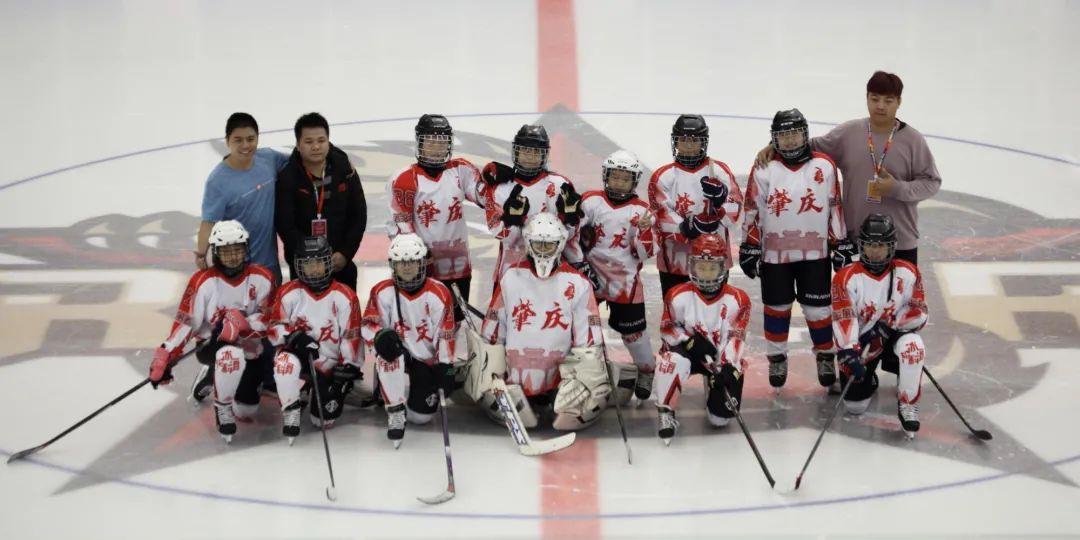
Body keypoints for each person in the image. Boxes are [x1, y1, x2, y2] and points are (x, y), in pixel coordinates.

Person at [755, 71, 942, 265]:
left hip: (900, 241)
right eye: (875, 99)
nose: (880, 106)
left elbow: (931, 182)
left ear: (899, 102)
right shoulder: (849, 133)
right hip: (856, 241)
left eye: (888, 101)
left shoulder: (913, 140)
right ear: (867, 98)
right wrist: (775, 146)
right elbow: (809, 146)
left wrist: (896, 188)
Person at [740, 109, 854, 391]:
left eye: (794, 134)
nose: (789, 141)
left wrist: (839, 243)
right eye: (783, 135)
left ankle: (826, 356)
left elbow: (835, 208)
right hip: (774, 256)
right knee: (776, 308)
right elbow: (753, 209)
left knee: (818, 309)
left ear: (805, 134)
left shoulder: (825, 166)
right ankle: (777, 357)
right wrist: (750, 245)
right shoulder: (764, 167)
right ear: (773, 139)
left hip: (815, 255)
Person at [148, 220, 276, 444]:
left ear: (246, 249)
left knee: (246, 411)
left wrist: (245, 324)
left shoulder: (263, 277)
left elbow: (271, 318)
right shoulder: (202, 281)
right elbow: (186, 323)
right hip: (212, 347)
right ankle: (222, 405)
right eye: (226, 252)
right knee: (229, 355)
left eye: (237, 250)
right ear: (215, 253)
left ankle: (214, 378)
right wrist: (165, 355)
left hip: (251, 349)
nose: (233, 257)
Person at [478, 213, 609, 431]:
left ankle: (560, 394)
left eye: (549, 246)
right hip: (515, 376)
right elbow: (494, 328)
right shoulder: (511, 277)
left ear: (559, 246)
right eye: (537, 244)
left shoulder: (578, 283)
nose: (542, 251)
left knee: (582, 390)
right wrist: (489, 366)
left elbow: (588, 339)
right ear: (528, 244)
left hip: (560, 376)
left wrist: (588, 374)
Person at [386, 114, 483, 337]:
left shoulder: (461, 170)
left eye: (442, 142)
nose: (437, 148)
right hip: (421, 268)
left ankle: (452, 366)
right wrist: (417, 252)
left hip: (457, 266)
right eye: (431, 142)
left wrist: (498, 183)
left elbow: (483, 197)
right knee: (422, 324)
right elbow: (399, 224)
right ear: (420, 143)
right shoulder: (405, 178)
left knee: (455, 327)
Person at [832, 214, 928, 438]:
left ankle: (908, 404)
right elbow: (843, 317)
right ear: (861, 246)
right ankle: (871, 378)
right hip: (864, 342)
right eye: (870, 245)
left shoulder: (908, 272)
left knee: (913, 346)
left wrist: (891, 324)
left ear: (892, 247)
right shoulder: (845, 277)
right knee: (854, 406)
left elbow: (920, 312)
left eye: (881, 246)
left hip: (895, 336)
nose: (875, 251)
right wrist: (849, 352)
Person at [652, 234, 751, 445]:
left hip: (718, 356)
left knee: (720, 419)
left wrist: (727, 368)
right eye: (701, 267)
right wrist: (688, 341)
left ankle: (713, 384)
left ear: (723, 267)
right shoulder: (676, 294)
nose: (706, 274)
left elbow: (735, 338)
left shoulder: (739, 299)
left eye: (711, 268)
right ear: (691, 266)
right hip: (688, 352)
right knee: (671, 361)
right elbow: (667, 328)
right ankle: (665, 410)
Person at [264, 236, 363, 444]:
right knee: (283, 363)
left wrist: (346, 371)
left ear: (328, 262)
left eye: (318, 262)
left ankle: (321, 391)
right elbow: (273, 328)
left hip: (329, 365)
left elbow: (351, 337)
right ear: (299, 266)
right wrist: (292, 336)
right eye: (308, 264)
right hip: (299, 359)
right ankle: (291, 407)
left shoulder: (345, 296)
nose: (314, 269)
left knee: (322, 421)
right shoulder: (288, 292)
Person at [361, 234, 456, 448]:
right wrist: (379, 336)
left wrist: (446, 367)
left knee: (420, 418)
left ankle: (403, 393)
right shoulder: (381, 291)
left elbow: (446, 334)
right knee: (388, 356)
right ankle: (394, 408)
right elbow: (367, 324)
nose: (406, 267)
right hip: (398, 351)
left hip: (425, 360)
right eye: (401, 262)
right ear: (392, 265)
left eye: (412, 261)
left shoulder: (439, 292)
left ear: (422, 262)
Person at [578, 150, 657, 402]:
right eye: (615, 177)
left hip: (624, 283)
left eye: (626, 178)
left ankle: (646, 370)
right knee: (578, 328)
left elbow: (645, 253)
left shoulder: (641, 211)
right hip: (589, 277)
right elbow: (574, 235)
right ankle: (575, 371)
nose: (619, 182)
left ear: (635, 181)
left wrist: (644, 232)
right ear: (605, 176)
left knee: (634, 334)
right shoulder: (590, 201)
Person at [649, 114, 743, 300]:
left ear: (704, 142)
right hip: (675, 262)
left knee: (715, 311)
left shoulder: (718, 170)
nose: (689, 145)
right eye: (683, 139)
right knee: (676, 313)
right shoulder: (663, 175)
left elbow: (736, 209)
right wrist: (688, 227)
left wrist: (720, 202)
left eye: (695, 140)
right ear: (675, 142)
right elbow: (660, 216)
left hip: (713, 260)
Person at [481, 124, 585, 283]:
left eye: (536, 152)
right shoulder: (500, 188)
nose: (530, 156)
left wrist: (570, 220)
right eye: (525, 150)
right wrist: (513, 221)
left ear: (545, 155)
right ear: (516, 151)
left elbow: (569, 236)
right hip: (511, 271)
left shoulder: (560, 185)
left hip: (554, 269)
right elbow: (501, 235)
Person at [275, 112, 367, 290]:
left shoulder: (344, 168)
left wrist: (345, 253)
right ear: (298, 144)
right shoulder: (288, 177)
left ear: (328, 140)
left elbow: (358, 214)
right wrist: (309, 259)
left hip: (340, 263)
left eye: (321, 140)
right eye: (309, 142)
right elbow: (284, 224)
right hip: (304, 268)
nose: (316, 146)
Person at [198, 112, 289, 284]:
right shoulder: (217, 180)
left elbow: (300, 161)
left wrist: (340, 159)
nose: (245, 145)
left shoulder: (268, 158)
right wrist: (202, 254)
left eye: (250, 139)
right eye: (238, 140)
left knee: (272, 310)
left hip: (269, 266)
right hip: (237, 268)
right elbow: (208, 222)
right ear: (227, 141)